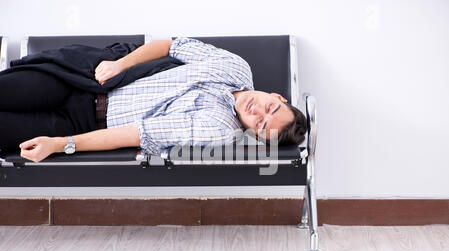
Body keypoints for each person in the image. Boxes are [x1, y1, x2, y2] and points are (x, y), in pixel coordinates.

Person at [0, 37, 307, 162]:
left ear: (254, 134)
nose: (257, 113)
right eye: (270, 108)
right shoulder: (235, 67)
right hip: (86, 78)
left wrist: (60, 143)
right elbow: (170, 46)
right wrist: (120, 64)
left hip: (82, 122)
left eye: (261, 124)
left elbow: (134, 134)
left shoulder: (219, 128)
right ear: (277, 95)